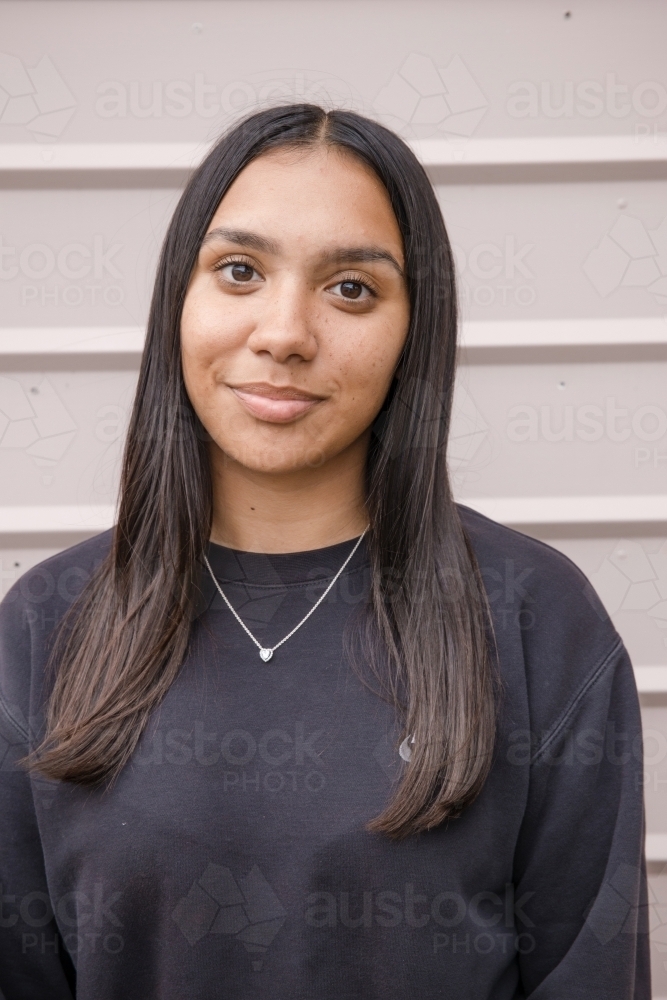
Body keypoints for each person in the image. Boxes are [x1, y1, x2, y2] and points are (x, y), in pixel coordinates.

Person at [0, 104, 649, 999]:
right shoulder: (44, 624)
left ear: (411, 330)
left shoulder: (538, 620)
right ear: (176, 302)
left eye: (351, 288)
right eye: (239, 271)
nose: (284, 333)